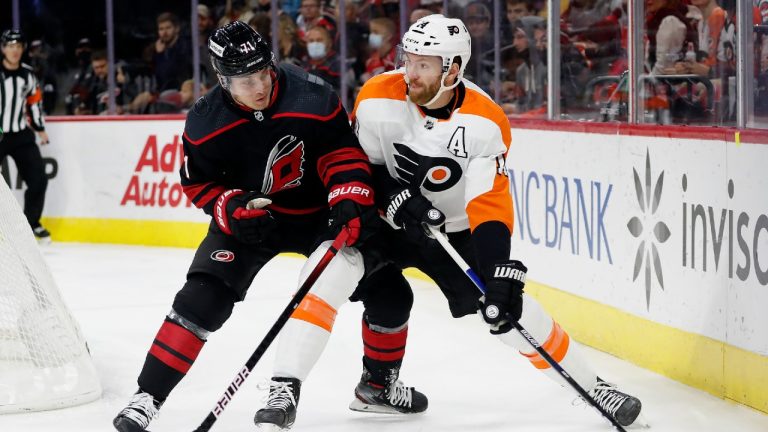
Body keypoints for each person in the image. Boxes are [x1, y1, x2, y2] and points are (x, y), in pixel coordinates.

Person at [256, 14, 644, 431]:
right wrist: (392, 197)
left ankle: (593, 387)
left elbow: (488, 204)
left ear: (453, 69)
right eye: (408, 59)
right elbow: (359, 166)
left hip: (449, 232)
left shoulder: (485, 121)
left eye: (424, 64)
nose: (410, 72)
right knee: (326, 271)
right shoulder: (377, 96)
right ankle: (285, 389)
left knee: (509, 311)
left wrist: (497, 270)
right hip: (381, 221)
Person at [112, 21, 379, 432]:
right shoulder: (205, 120)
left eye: (262, 74)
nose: (259, 87)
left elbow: (341, 152)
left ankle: (314, 388)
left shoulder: (312, 94)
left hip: (317, 215)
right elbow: (199, 183)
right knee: (201, 300)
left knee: (382, 289)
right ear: (223, 80)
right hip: (251, 221)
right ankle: (148, 396)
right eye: (245, 81)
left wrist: (348, 192)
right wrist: (230, 208)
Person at [0, 30, 51, 242]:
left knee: (39, 179)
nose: (15, 51)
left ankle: (31, 224)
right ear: (3, 49)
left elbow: (34, 102)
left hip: (20, 134)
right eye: (11, 46)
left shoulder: (28, 75)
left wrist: (39, 128)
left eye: (19, 47)